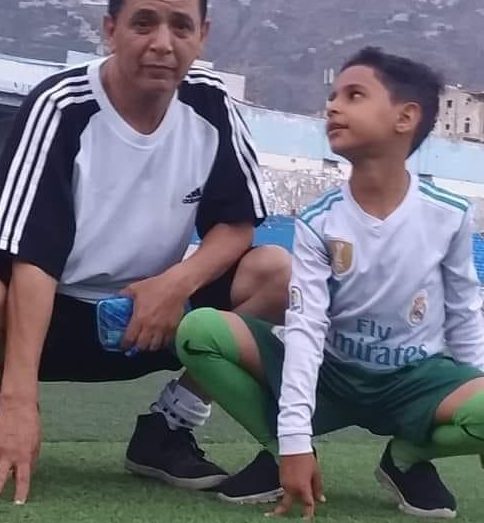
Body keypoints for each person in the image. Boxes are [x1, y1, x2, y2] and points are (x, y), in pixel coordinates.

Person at [0, 0, 291, 505]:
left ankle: (168, 429)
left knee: (278, 273)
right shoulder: (61, 107)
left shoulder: (212, 104)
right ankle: (2, 414)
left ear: (203, 35)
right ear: (110, 28)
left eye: (181, 26)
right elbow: (32, 258)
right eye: (143, 23)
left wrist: (173, 285)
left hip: (156, 317)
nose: (162, 43)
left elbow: (237, 225)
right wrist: (21, 400)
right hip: (53, 318)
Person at [177, 47, 484, 519]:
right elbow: (305, 327)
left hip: (413, 382)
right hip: (331, 375)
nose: (333, 107)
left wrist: (476, 405)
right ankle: (279, 455)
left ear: (405, 117)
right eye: (333, 95)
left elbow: (464, 313)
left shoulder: (449, 215)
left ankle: (406, 459)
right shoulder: (320, 220)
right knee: (200, 331)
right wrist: (294, 440)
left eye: (354, 95)